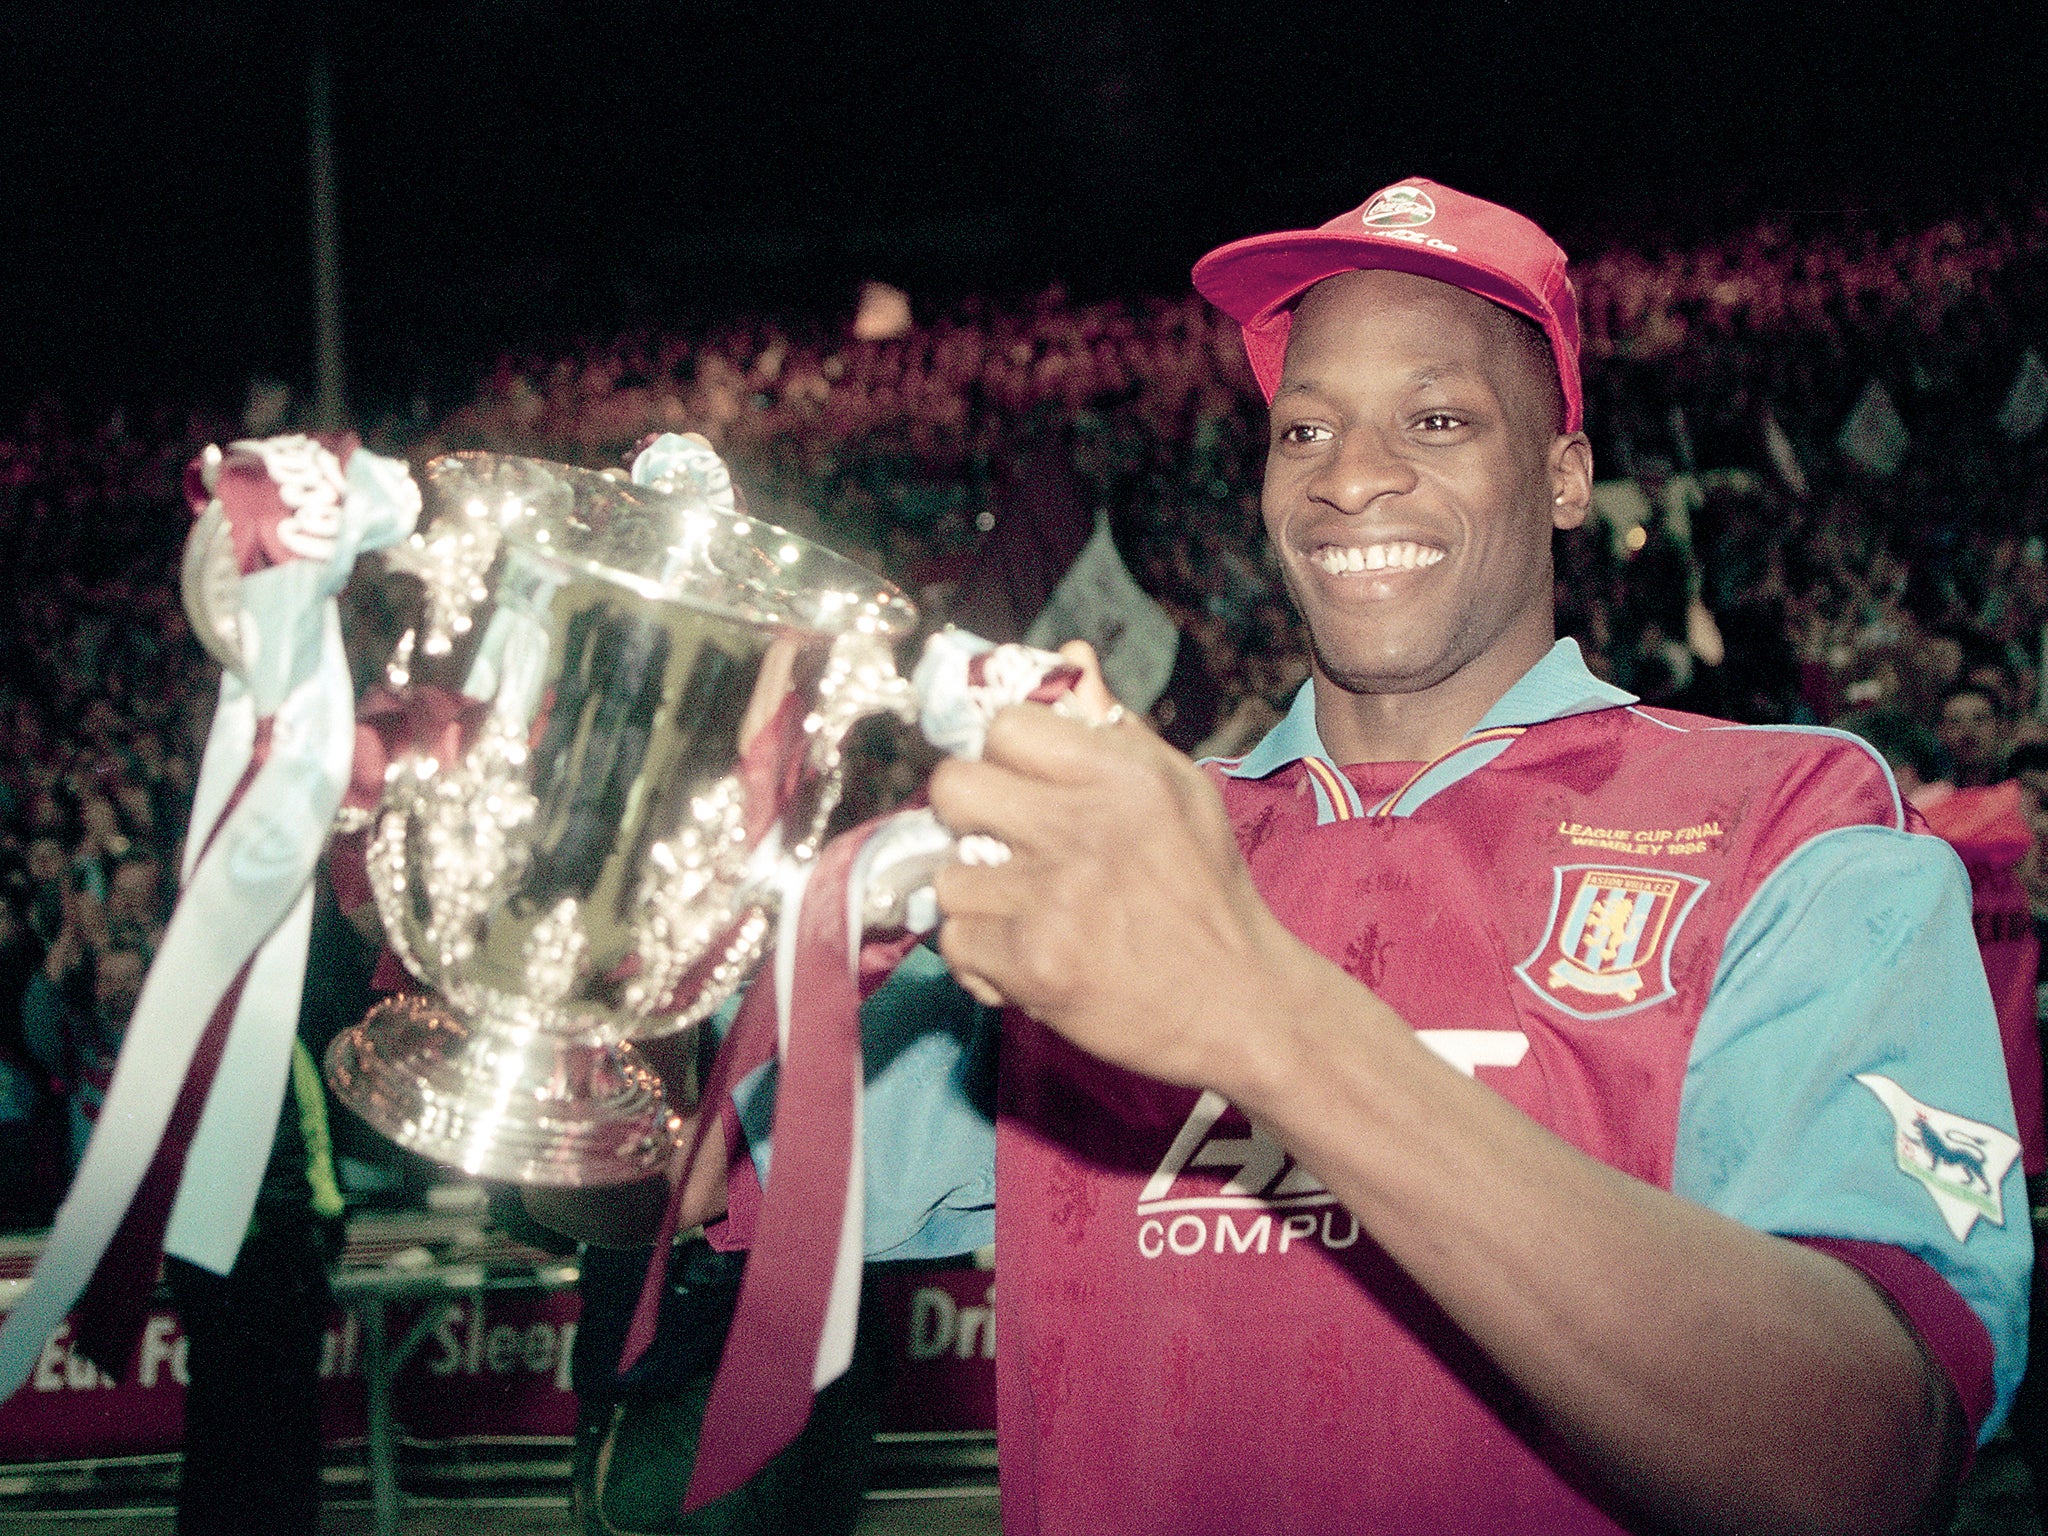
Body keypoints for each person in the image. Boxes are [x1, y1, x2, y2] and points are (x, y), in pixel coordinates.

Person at [543, 180, 2030, 1535]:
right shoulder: (1105, 851)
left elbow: (1867, 1466)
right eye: (1304, 428)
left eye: (1435, 421)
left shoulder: (1788, 827)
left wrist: (1265, 1018)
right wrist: (553, 1004)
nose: (1349, 478)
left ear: (1568, 474)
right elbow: (673, 1185)